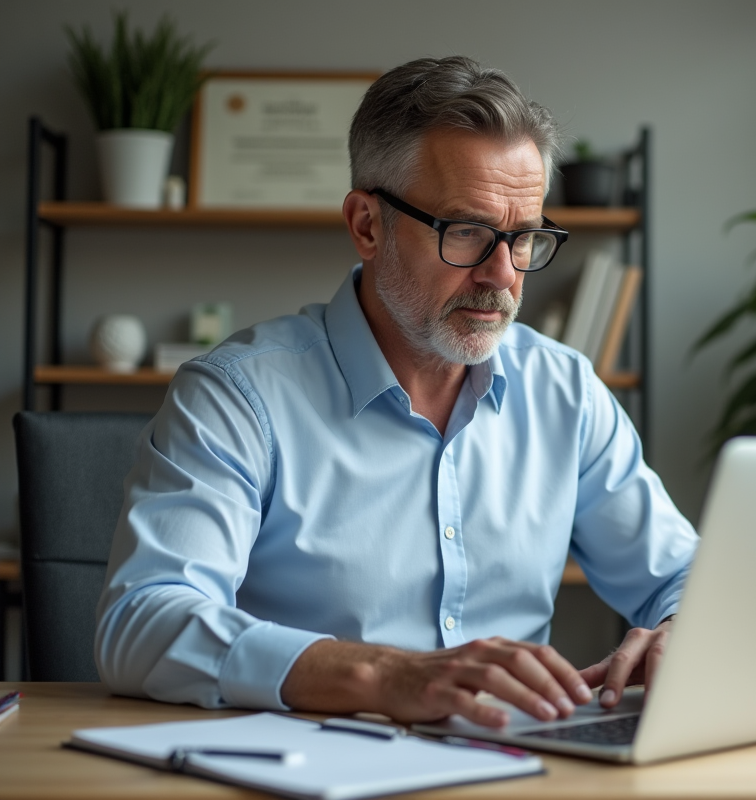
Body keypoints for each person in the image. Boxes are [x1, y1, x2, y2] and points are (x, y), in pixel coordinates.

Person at [95, 56, 698, 729]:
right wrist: (384, 675)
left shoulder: (565, 392)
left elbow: (684, 576)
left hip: (521, 768)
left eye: (524, 237)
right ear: (366, 226)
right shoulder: (237, 398)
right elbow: (141, 624)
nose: (501, 275)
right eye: (467, 232)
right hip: (305, 770)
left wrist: (683, 626)